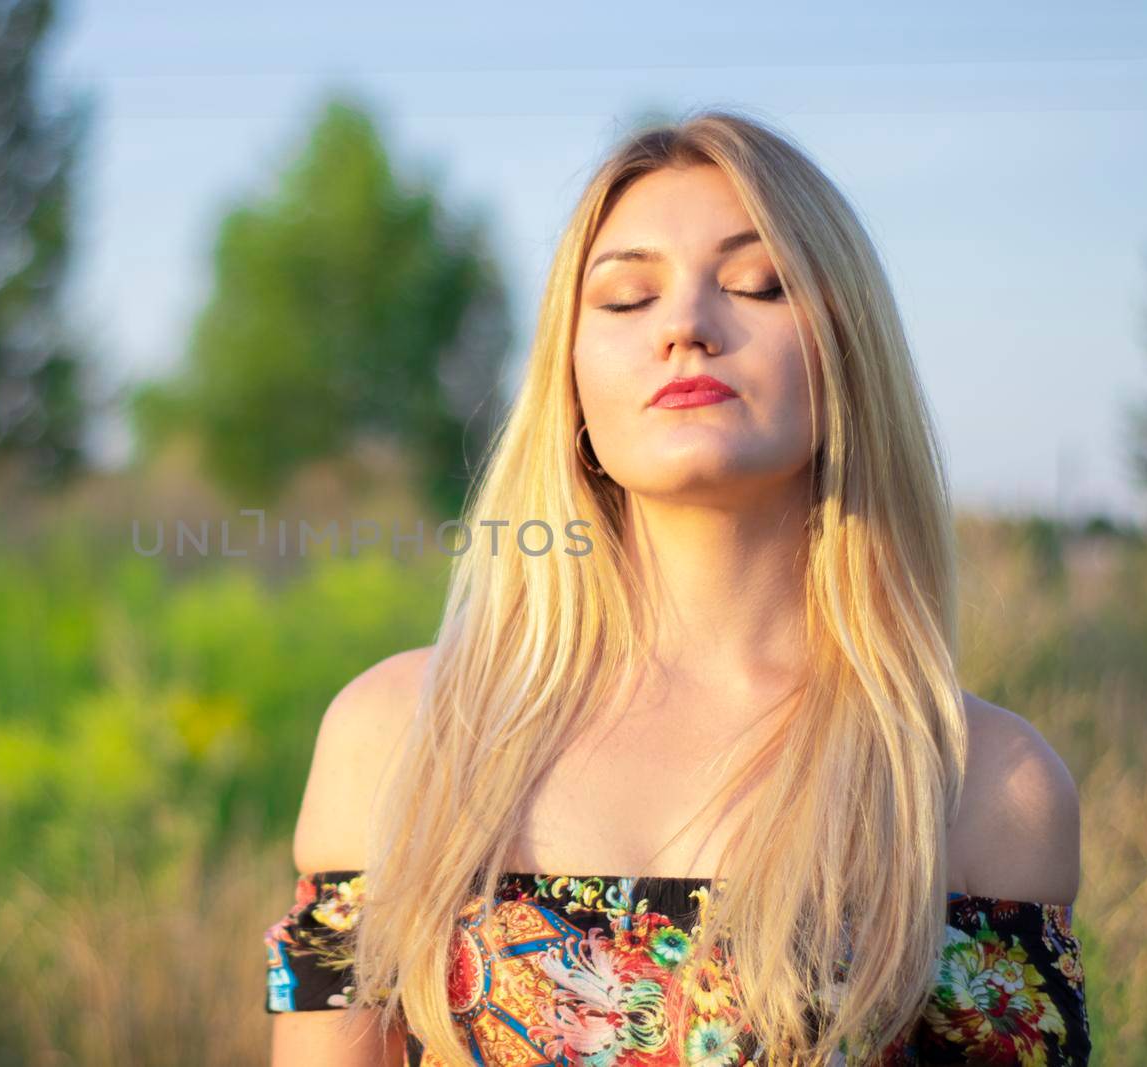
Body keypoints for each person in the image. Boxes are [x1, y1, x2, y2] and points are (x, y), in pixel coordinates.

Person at [262, 108, 1089, 1066]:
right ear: (570, 382)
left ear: (848, 357)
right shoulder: (397, 736)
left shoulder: (983, 784)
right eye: (624, 299)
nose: (687, 327)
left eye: (759, 283)